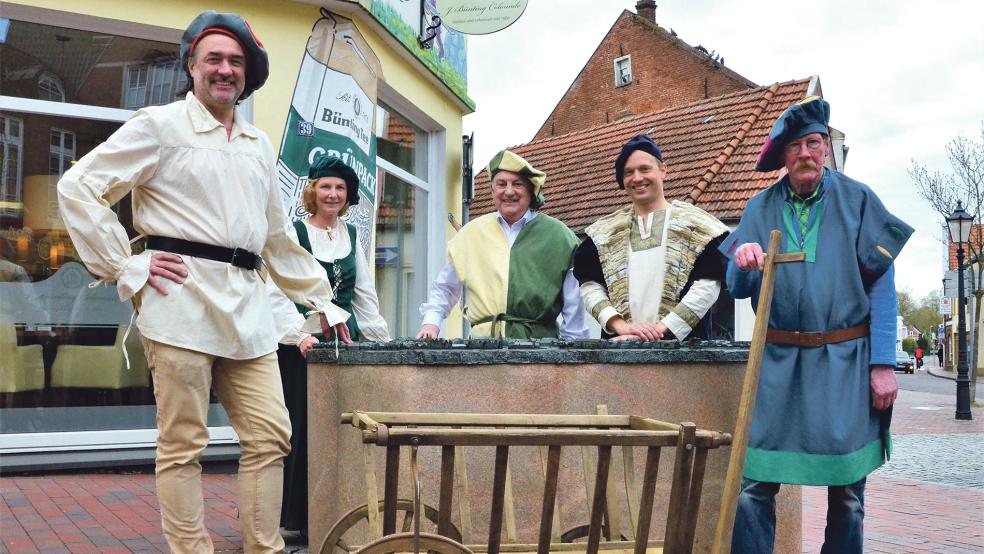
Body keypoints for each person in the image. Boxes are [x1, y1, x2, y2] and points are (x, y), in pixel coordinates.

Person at [57, 11, 352, 553]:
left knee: (270, 436)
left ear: (247, 74)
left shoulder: (259, 144)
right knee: (183, 444)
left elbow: (277, 237)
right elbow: (79, 187)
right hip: (179, 302)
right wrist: (127, 265)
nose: (224, 69)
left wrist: (323, 302)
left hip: (247, 308)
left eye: (236, 61)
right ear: (191, 65)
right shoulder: (159, 125)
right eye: (213, 58)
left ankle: (263, 548)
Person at [720, 96, 913, 553]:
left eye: (814, 143)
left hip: (845, 363)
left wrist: (883, 363)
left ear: (826, 148)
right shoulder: (758, 208)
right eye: (795, 146)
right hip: (779, 366)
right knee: (753, 487)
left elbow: (881, 289)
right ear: (783, 156)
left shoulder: (859, 201)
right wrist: (745, 262)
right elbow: (736, 287)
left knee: (847, 494)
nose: (804, 153)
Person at [273, 154, 390, 536]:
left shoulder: (352, 236)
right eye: (326, 186)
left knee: (341, 425)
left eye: (340, 188)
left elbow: (363, 295)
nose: (333, 194)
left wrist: (381, 342)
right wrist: (298, 334)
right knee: (301, 427)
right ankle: (296, 519)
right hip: (301, 344)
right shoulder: (294, 233)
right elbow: (278, 288)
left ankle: (336, 511)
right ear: (313, 190)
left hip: (344, 344)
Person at [416, 150, 589, 339]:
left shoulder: (559, 236)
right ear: (492, 191)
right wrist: (431, 322)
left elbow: (574, 303)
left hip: (540, 349)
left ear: (531, 191)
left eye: (517, 184)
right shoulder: (470, 234)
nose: (508, 191)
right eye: (501, 184)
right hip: (483, 349)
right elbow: (445, 287)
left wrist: (574, 350)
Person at [572, 135, 730, 341]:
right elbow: (590, 286)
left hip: (685, 350)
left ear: (663, 170)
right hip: (620, 347)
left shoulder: (699, 226)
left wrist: (661, 330)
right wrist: (620, 326)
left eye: (645, 169)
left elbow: (707, 287)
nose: (637, 178)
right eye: (629, 172)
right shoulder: (604, 233)